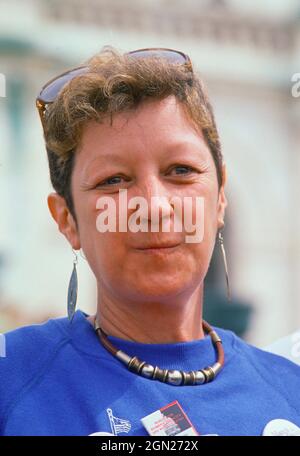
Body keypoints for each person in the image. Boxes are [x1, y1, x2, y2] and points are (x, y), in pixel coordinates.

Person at [1, 46, 300, 437]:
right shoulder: (13, 378)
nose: (154, 207)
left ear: (221, 196)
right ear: (67, 219)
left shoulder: (289, 391)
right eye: (114, 180)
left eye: (181, 170)